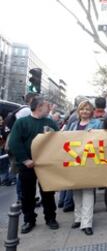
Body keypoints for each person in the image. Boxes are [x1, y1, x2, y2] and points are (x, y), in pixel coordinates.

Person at [8, 96, 60, 234]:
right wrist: (25, 160)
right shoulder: (22, 123)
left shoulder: (50, 122)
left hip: (46, 165)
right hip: (27, 166)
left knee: (48, 193)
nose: (49, 108)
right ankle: (29, 220)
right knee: (27, 194)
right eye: (47, 106)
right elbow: (14, 142)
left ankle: (50, 218)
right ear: (39, 107)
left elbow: (59, 139)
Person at [68, 100, 101, 236]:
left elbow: (104, 138)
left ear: (91, 111)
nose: (85, 111)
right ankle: (78, 218)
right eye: (82, 109)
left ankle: (86, 223)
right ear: (79, 111)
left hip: (90, 161)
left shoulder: (97, 124)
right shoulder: (72, 125)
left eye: (87, 109)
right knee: (76, 191)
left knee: (87, 191)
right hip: (75, 161)